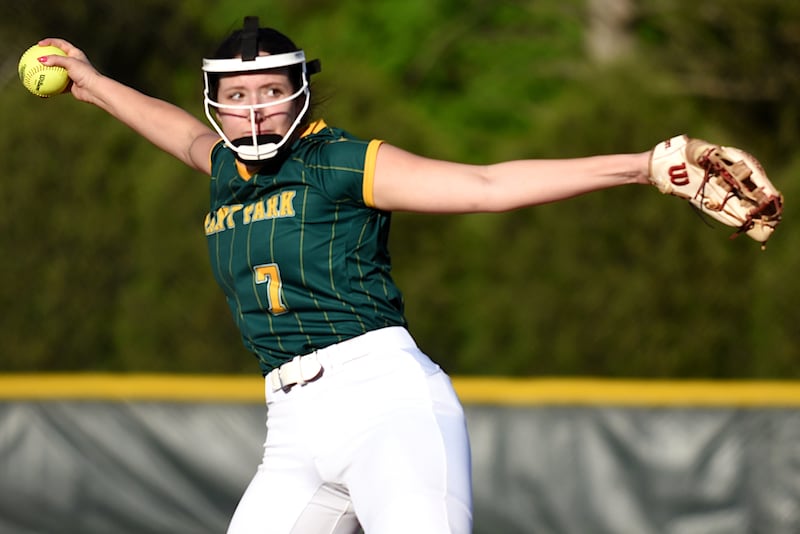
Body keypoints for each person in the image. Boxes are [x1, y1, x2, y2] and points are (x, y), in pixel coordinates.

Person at [39, 16, 653, 534]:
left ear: (300, 92)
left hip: (387, 407)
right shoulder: (227, 169)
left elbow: (485, 185)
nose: (254, 110)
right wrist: (93, 84)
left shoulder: (336, 161)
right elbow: (180, 134)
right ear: (216, 100)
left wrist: (643, 165)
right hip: (291, 425)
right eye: (237, 94)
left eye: (270, 90)